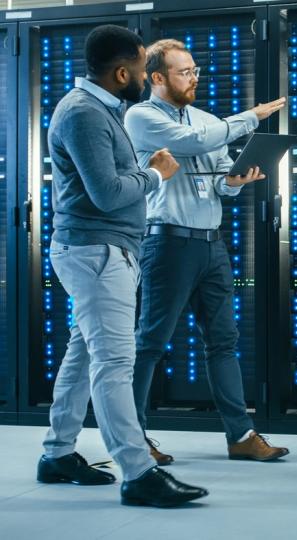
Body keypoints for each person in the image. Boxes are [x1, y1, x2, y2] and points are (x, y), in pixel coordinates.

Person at [37, 24, 208, 507]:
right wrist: (155, 173)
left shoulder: (100, 109)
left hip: (103, 251)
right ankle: (139, 472)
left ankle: (57, 453)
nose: (145, 77)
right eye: (139, 69)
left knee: (84, 356)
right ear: (120, 72)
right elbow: (108, 194)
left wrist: (141, 171)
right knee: (115, 363)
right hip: (96, 252)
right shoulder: (84, 114)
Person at [125, 39, 288, 463]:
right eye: (185, 72)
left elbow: (215, 174)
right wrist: (251, 117)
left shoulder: (205, 119)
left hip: (211, 245)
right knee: (151, 343)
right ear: (158, 78)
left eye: (196, 70)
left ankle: (241, 436)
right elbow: (195, 143)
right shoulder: (141, 116)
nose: (194, 78)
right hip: (167, 243)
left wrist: (232, 183)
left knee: (223, 342)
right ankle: (134, 438)